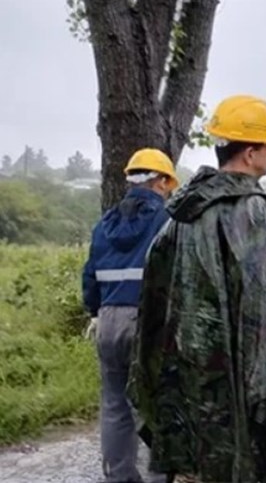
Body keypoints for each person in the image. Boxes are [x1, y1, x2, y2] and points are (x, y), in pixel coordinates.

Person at [129, 95, 266, 483]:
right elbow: (259, 308)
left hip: (185, 379)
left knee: (193, 468)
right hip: (231, 385)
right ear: (251, 153)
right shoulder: (249, 208)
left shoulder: (182, 212)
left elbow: (153, 298)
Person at [82, 148, 177, 483]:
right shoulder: (168, 222)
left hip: (107, 321)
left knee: (114, 403)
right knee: (156, 402)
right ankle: (158, 476)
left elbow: (90, 276)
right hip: (148, 323)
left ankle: (119, 476)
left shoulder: (104, 224)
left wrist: (95, 311)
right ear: (161, 181)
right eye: (168, 183)